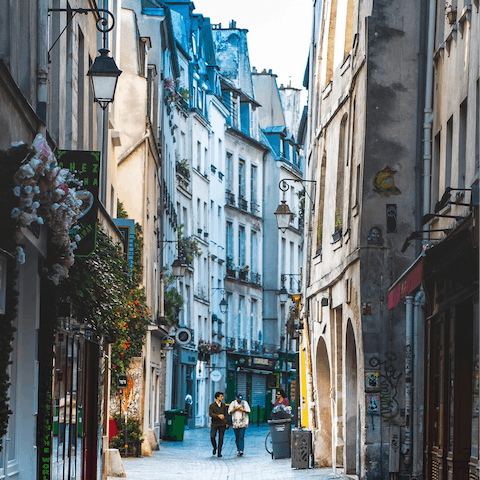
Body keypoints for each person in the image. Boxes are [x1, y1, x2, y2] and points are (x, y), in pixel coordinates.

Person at [209, 391, 228, 457]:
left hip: (222, 424)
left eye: (222, 396)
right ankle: (215, 447)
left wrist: (226, 423)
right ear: (217, 397)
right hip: (214, 423)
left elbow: (226, 415)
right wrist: (218, 416)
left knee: (221, 438)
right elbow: (211, 414)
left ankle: (219, 452)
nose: (222, 398)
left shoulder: (223, 406)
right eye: (221, 396)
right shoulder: (212, 405)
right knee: (212, 436)